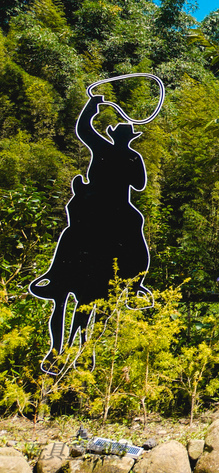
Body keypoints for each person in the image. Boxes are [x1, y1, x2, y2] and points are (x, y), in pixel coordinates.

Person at [29, 93, 151, 371]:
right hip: (99, 209)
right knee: (77, 233)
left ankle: (134, 283)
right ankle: (55, 276)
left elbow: (140, 184)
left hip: (114, 210)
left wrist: (93, 108)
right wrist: (92, 104)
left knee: (135, 225)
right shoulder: (112, 151)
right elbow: (84, 128)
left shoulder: (118, 153)